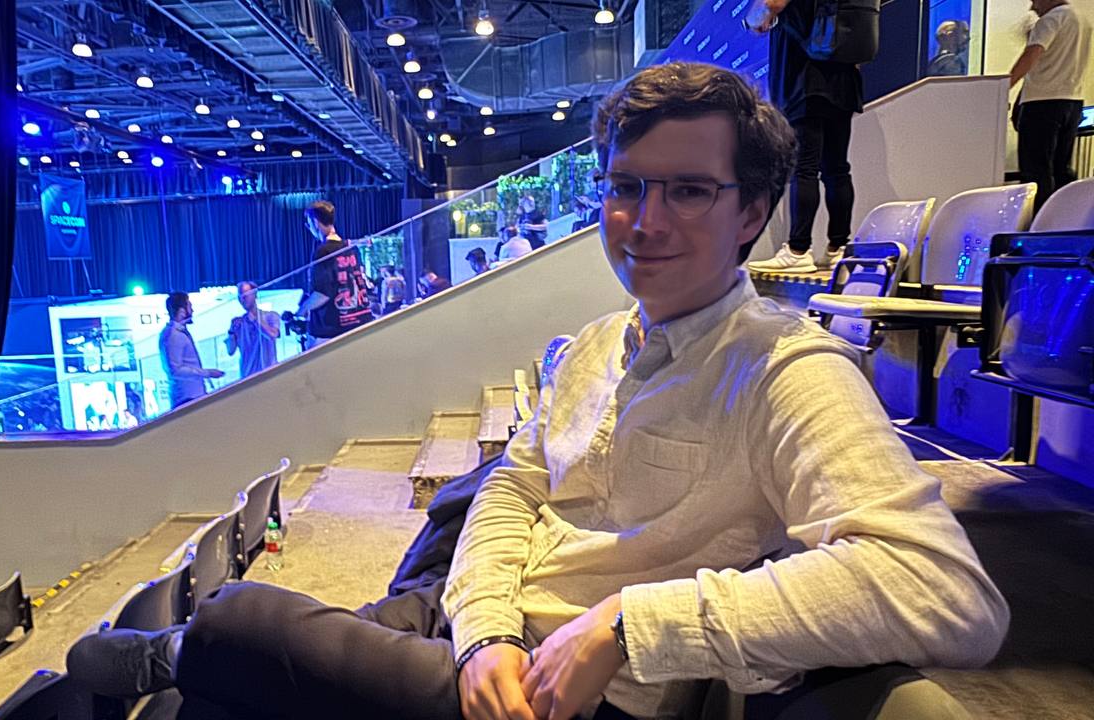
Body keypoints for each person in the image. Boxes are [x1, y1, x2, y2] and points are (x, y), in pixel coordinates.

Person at [69, 63, 1008, 720]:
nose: (644, 221)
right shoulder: (597, 342)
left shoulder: (787, 369)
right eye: (626, 187)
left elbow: (945, 591)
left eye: (687, 191)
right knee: (227, 699)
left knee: (240, 619)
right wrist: (483, 632)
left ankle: (183, 646)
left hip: (564, 698)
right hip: (483, 629)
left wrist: (630, 626)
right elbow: (512, 492)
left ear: (752, 213)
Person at [746, 0, 865, 274]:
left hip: (804, 76)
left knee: (804, 168)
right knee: (837, 168)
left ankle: (798, 250)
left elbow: (771, 4)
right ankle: (838, 248)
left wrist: (753, 18)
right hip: (843, 77)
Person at [1008, 0, 1091, 210]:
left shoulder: (1051, 19)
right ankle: (1061, 216)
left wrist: (1002, 87)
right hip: (1072, 101)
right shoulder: (1082, 20)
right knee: (1060, 167)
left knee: (1036, 169)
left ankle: (1037, 221)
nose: (1032, 7)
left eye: (1035, 0)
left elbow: (1032, 55)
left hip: (1041, 104)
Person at [295, 200, 372, 348]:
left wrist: (302, 310)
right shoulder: (351, 248)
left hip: (331, 330)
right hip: (358, 322)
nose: (309, 228)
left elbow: (322, 294)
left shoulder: (323, 251)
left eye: (309, 224)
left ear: (315, 222)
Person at [158, 291, 224, 409]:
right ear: (182, 311)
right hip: (187, 398)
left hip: (192, 396)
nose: (192, 311)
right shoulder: (173, 335)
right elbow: (175, 370)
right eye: (190, 306)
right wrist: (207, 373)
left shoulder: (177, 333)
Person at [226, 280, 279, 379]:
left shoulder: (271, 316)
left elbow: (272, 335)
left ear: (255, 294)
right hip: (247, 376)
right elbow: (230, 351)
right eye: (239, 297)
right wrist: (231, 332)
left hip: (269, 374)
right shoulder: (239, 323)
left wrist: (255, 319)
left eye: (245, 295)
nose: (242, 299)